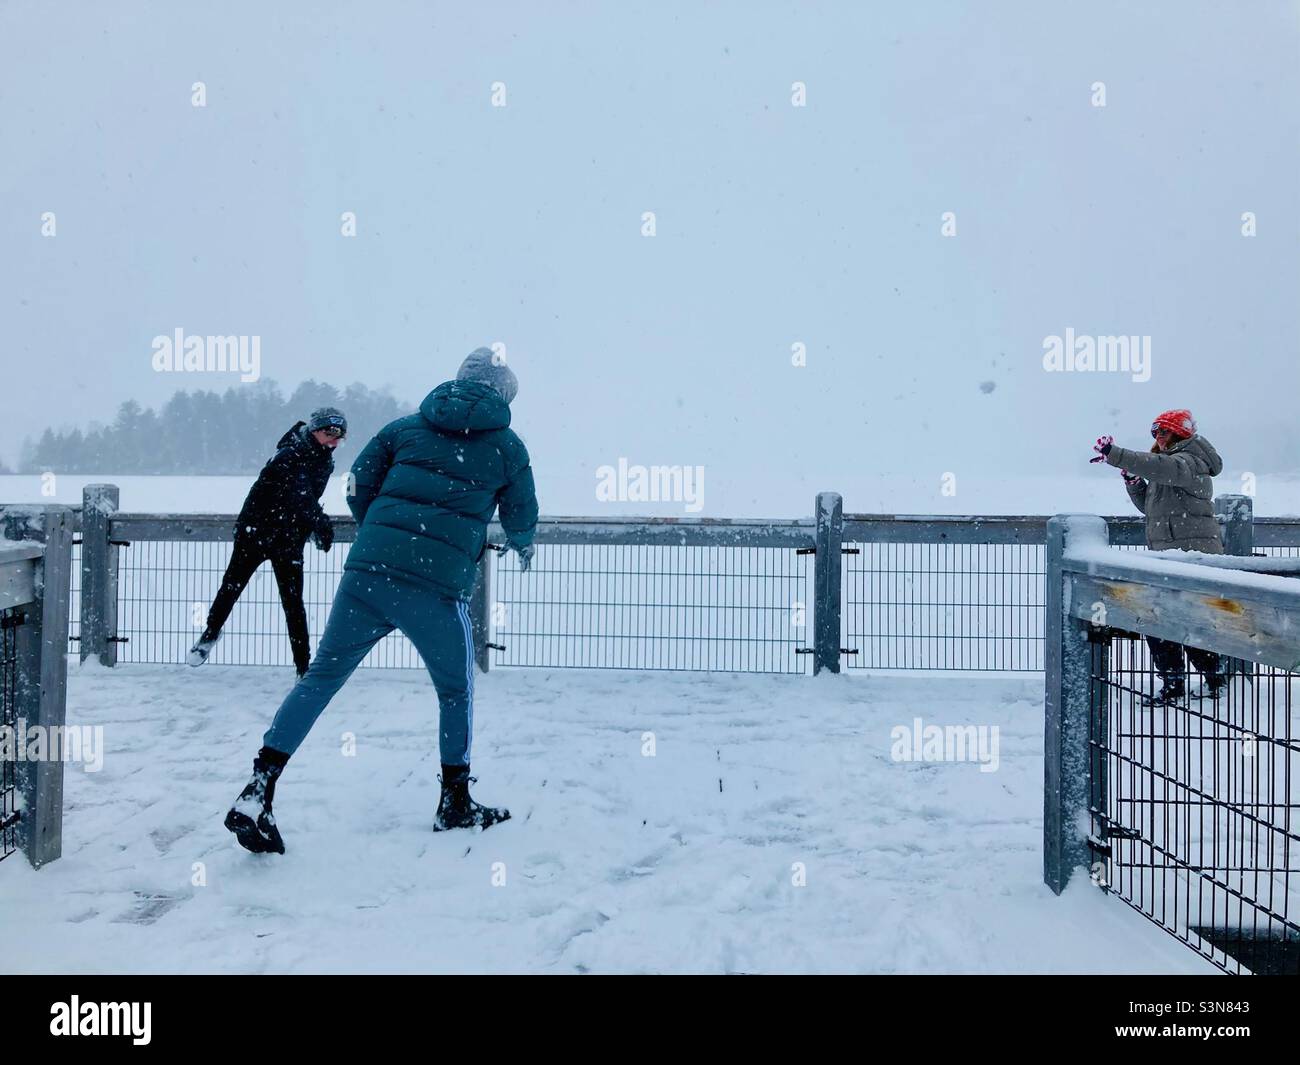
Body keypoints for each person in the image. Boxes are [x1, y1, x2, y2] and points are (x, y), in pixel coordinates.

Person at [224, 349, 539, 854]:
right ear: (502, 393)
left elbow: (359, 484)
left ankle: (259, 787)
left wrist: (383, 530)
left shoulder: (405, 428)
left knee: (321, 678)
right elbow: (522, 515)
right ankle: (454, 800)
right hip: (436, 589)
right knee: (455, 690)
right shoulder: (507, 446)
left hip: (368, 575)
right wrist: (521, 545)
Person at [188, 408, 345, 677]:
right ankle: (210, 633)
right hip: (256, 532)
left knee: (293, 603)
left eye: (340, 435)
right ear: (315, 430)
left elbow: (307, 500)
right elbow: (300, 493)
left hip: (289, 539)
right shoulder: (290, 454)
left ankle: (302, 668)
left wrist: (314, 524)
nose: (335, 440)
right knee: (231, 588)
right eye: (330, 433)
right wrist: (321, 523)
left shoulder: (325, 462)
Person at [1090, 408, 1225, 705]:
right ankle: (1187, 681)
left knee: (1184, 621)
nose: (1158, 438)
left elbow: (1159, 467)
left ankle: (1211, 680)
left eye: (1163, 432)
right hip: (1171, 559)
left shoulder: (1189, 462)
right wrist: (1134, 483)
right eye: (1155, 433)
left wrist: (1116, 454)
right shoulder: (1170, 466)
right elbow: (1152, 509)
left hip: (1193, 560)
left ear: (1179, 433)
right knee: (1164, 620)